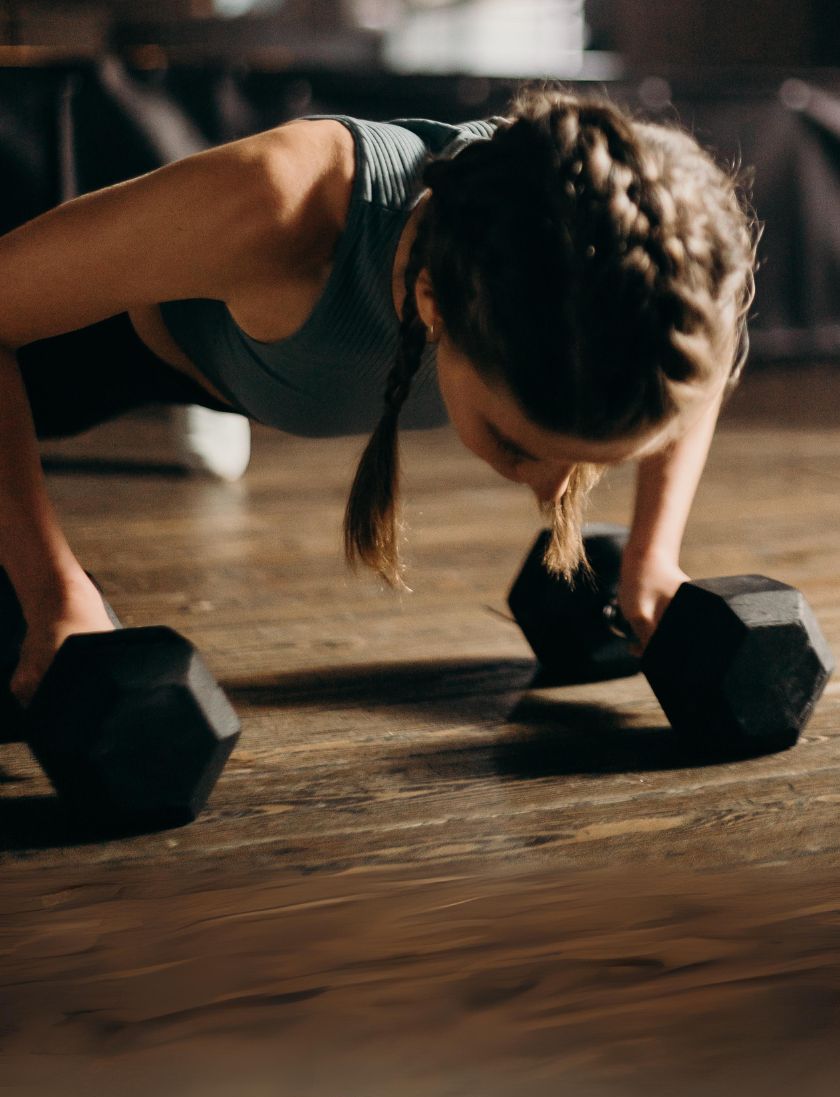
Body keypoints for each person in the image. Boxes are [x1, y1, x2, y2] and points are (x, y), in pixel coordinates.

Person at [0, 82, 756, 709]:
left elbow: (697, 357)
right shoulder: (284, 209)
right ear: (431, 305)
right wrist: (52, 589)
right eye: (520, 446)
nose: (554, 491)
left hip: (232, 337)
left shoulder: (650, 246)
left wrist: (653, 560)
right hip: (61, 314)